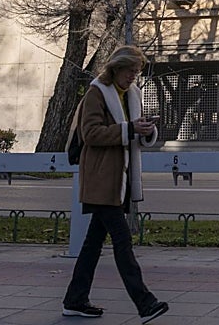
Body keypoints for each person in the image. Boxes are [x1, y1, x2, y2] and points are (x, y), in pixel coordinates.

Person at [62, 46, 169, 322]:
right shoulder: (97, 93)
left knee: (93, 244)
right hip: (101, 179)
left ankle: (75, 300)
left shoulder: (131, 95)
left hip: (119, 180)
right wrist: (130, 129)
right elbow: (91, 133)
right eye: (130, 70)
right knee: (122, 241)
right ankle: (145, 302)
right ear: (117, 68)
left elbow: (132, 133)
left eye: (137, 71)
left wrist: (145, 130)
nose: (133, 76)